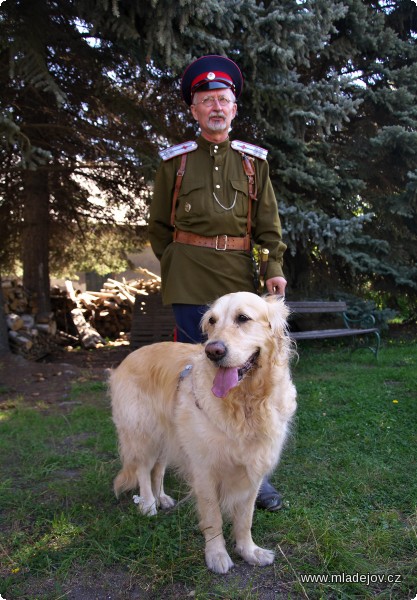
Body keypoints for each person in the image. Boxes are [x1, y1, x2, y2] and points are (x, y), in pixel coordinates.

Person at [149, 55, 287, 511]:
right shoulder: (176, 163)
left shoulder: (253, 164)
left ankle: (250, 474)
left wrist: (272, 269)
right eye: (206, 100)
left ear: (233, 109)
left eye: (223, 100)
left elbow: (268, 225)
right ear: (194, 110)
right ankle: (203, 462)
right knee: (199, 380)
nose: (216, 107)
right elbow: (157, 228)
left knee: (247, 379)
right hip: (189, 281)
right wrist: (175, 260)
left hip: (235, 281)